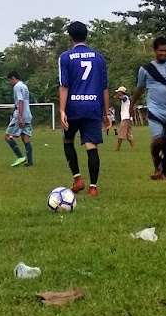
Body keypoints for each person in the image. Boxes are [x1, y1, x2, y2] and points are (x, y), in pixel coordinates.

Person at [57, 21, 110, 197]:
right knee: (91, 146)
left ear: (69, 37)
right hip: (93, 106)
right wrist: (106, 112)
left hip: (73, 107)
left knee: (68, 141)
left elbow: (64, 85)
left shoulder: (65, 57)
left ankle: (78, 179)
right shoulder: (99, 57)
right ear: (86, 36)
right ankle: (93, 187)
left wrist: (62, 110)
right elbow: (104, 87)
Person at [130, 36, 166, 180]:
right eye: (161, 50)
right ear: (154, 50)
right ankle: (157, 169)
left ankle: (165, 171)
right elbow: (140, 88)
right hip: (154, 109)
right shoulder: (145, 69)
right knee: (157, 140)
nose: (163, 53)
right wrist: (131, 104)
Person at [5, 72, 35, 168]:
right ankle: (30, 162)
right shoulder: (24, 86)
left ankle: (20, 156)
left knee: (7, 136)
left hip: (21, 114)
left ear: (13, 78)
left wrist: (19, 117)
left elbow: (20, 101)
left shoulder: (17, 87)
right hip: (28, 114)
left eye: (10, 80)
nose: (10, 83)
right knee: (25, 137)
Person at [114, 86, 135, 151]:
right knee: (128, 134)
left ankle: (118, 148)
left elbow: (123, 98)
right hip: (128, 118)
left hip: (125, 118)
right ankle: (133, 148)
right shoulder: (127, 99)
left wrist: (117, 96)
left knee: (121, 133)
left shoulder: (125, 97)